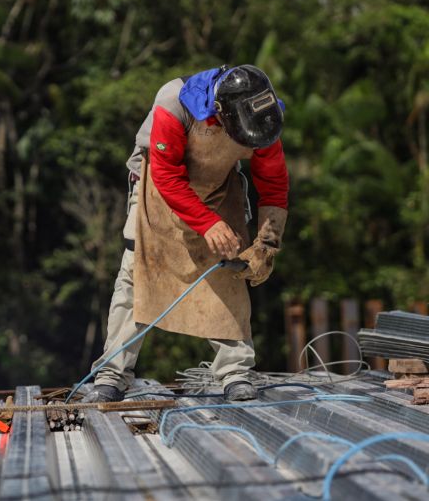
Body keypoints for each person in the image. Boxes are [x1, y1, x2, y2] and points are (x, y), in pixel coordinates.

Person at [83, 64, 289, 403]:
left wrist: (267, 244)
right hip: (160, 186)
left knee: (230, 272)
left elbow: (274, 184)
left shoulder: (262, 117)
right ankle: (112, 374)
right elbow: (166, 178)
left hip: (219, 189)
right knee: (139, 269)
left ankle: (235, 373)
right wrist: (206, 223)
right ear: (222, 115)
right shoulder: (174, 104)